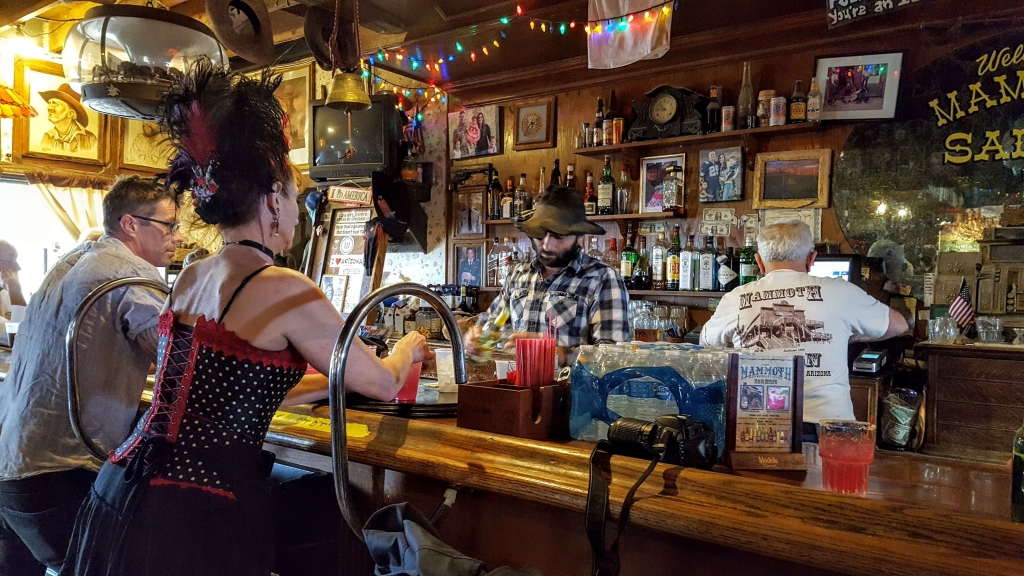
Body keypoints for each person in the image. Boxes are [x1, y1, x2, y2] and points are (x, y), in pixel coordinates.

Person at [60, 62, 432, 576]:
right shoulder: (285, 287)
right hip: (200, 514)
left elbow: (225, 388)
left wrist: (326, 386)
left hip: (123, 488)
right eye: (295, 199)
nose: (300, 214)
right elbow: (387, 384)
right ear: (271, 200)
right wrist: (409, 347)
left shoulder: (192, 275)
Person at [0, 175, 183, 574]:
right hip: (57, 475)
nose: (177, 236)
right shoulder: (131, 276)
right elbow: (180, 367)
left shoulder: (72, 261)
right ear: (130, 224)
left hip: (13, 463)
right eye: (169, 225)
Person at [700, 220, 908, 436]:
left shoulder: (735, 298)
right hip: (829, 431)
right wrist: (844, 334)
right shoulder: (840, 290)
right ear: (811, 259)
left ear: (759, 262)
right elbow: (898, 324)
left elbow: (706, 344)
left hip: (757, 431)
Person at [463, 186, 629, 359]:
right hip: (515, 382)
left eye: (559, 236)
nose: (547, 245)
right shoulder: (518, 273)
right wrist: (475, 337)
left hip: (568, 386)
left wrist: (558, 353)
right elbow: (491, 324)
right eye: (540, 235)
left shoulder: (602, 278)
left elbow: (613, 357)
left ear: (580, 237)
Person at [39, 84, 98, 154]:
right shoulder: (48, 136)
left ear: (70, 114)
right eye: (49, 103)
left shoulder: (89, 139)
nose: (49, 108)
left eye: (55, 104)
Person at [0, 240, 26, 321]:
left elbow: (28, 328)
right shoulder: (12, 292)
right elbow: (19, 332)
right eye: (9, 261)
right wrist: (15, 290)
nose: (17, 268)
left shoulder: (6, 295)